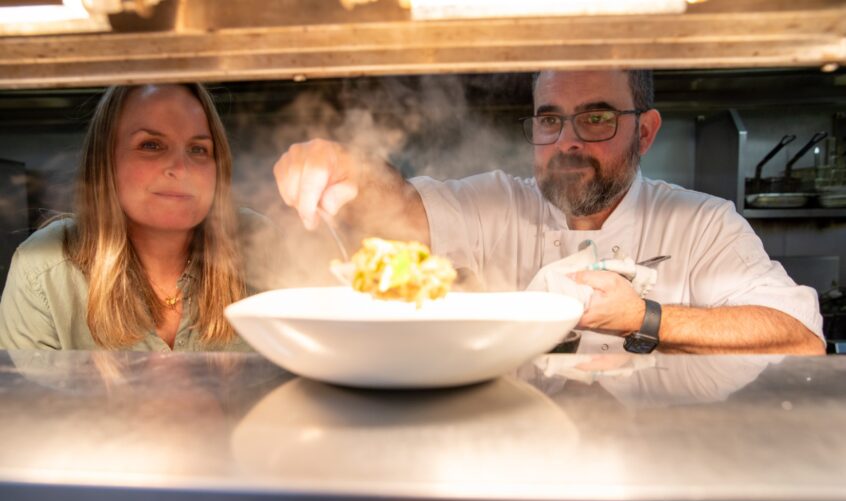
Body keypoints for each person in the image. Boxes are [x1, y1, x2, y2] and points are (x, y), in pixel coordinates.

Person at [273, 69, 825, 355]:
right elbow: (397, 209)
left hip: (657, 457)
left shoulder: (703, 223)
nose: (567, 142)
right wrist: (348, 166)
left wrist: (646, 318)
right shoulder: (496, 203)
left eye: (596, 118)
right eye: (549, 119)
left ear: (646, 131)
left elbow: (801, 337)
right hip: (512, 451)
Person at [0, 83, 279, 351]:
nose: (181, 169)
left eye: (198, 149)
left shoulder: (259, 244)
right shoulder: (44, 269)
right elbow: (24, 396)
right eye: (151, 145)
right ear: (106, 160)